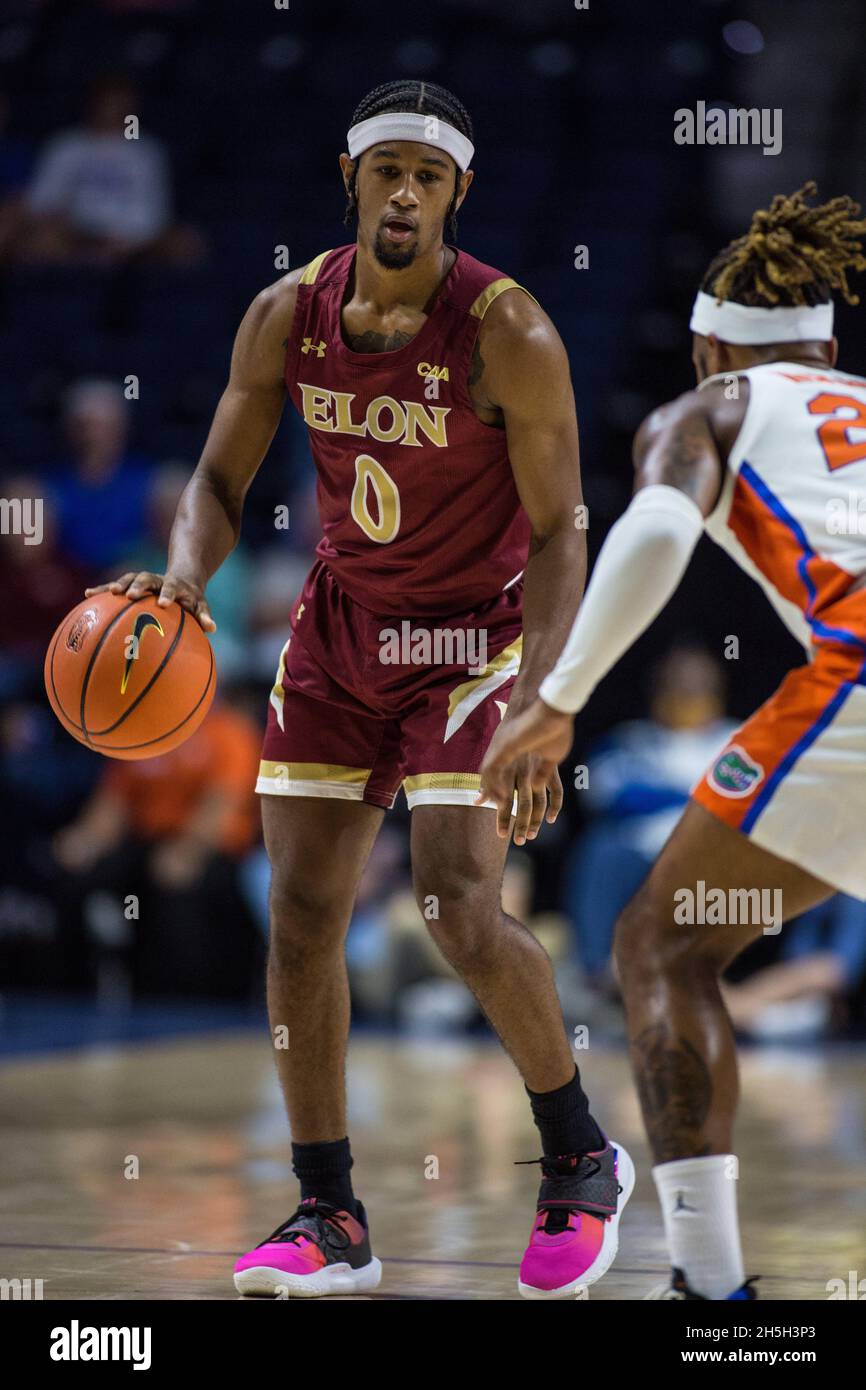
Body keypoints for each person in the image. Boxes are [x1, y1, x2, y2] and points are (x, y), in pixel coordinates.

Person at [85, 79, 634, 1299]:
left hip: (475, 638)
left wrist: (545, 700)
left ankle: (578, 1153)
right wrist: (180, 580)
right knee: (299, 919)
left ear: (457, 194)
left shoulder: (509, 330)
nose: (403, 192)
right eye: (385, 169)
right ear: (350, 176)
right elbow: (219, 485)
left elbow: (559, 535)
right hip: (340, 632)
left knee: (453, 901)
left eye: (426, 177)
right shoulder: (286, 313)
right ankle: (329, 1211)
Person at [479, 182, 866, 1300]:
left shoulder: (708, 410)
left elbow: (653, 524)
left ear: (704, 348)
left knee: (662, 944)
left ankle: (709, 1288)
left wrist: (555, 697)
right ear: (828, 346)